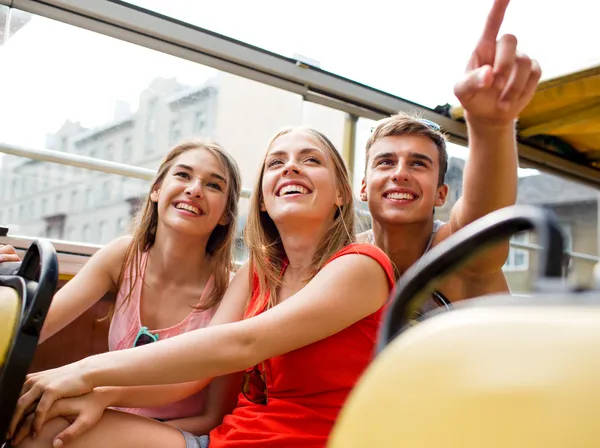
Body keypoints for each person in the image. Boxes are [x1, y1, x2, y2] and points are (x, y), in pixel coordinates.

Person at [9, 126, 395, 448]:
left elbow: (241, 344)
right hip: (229, 439)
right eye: (276, 163)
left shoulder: (361, 266)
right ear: (261, 200)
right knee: (37, 426)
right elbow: (199, 373)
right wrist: (99, 394)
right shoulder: (259, 272)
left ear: (342, 193)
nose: (291, 167)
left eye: (310, 160)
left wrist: (88, 373)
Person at [6, 139, 243, 436]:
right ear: (156, 190)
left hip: (175, 434)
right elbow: (34, 327)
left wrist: (105, 420)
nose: (194, 189)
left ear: (225, 215)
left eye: (213, 185)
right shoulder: (122, 257)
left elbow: (214, 416)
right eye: (183, 175)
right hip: (105, 414)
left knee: (41, 428)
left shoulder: (231, 291)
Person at [359, 0, 542, 302]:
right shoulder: (345, 258)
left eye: (418, 164)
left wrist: (491, 126)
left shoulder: (456, 249)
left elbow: (485, 218)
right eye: (386, 162)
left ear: (441, 194)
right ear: (363, 187)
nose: (400, 173)